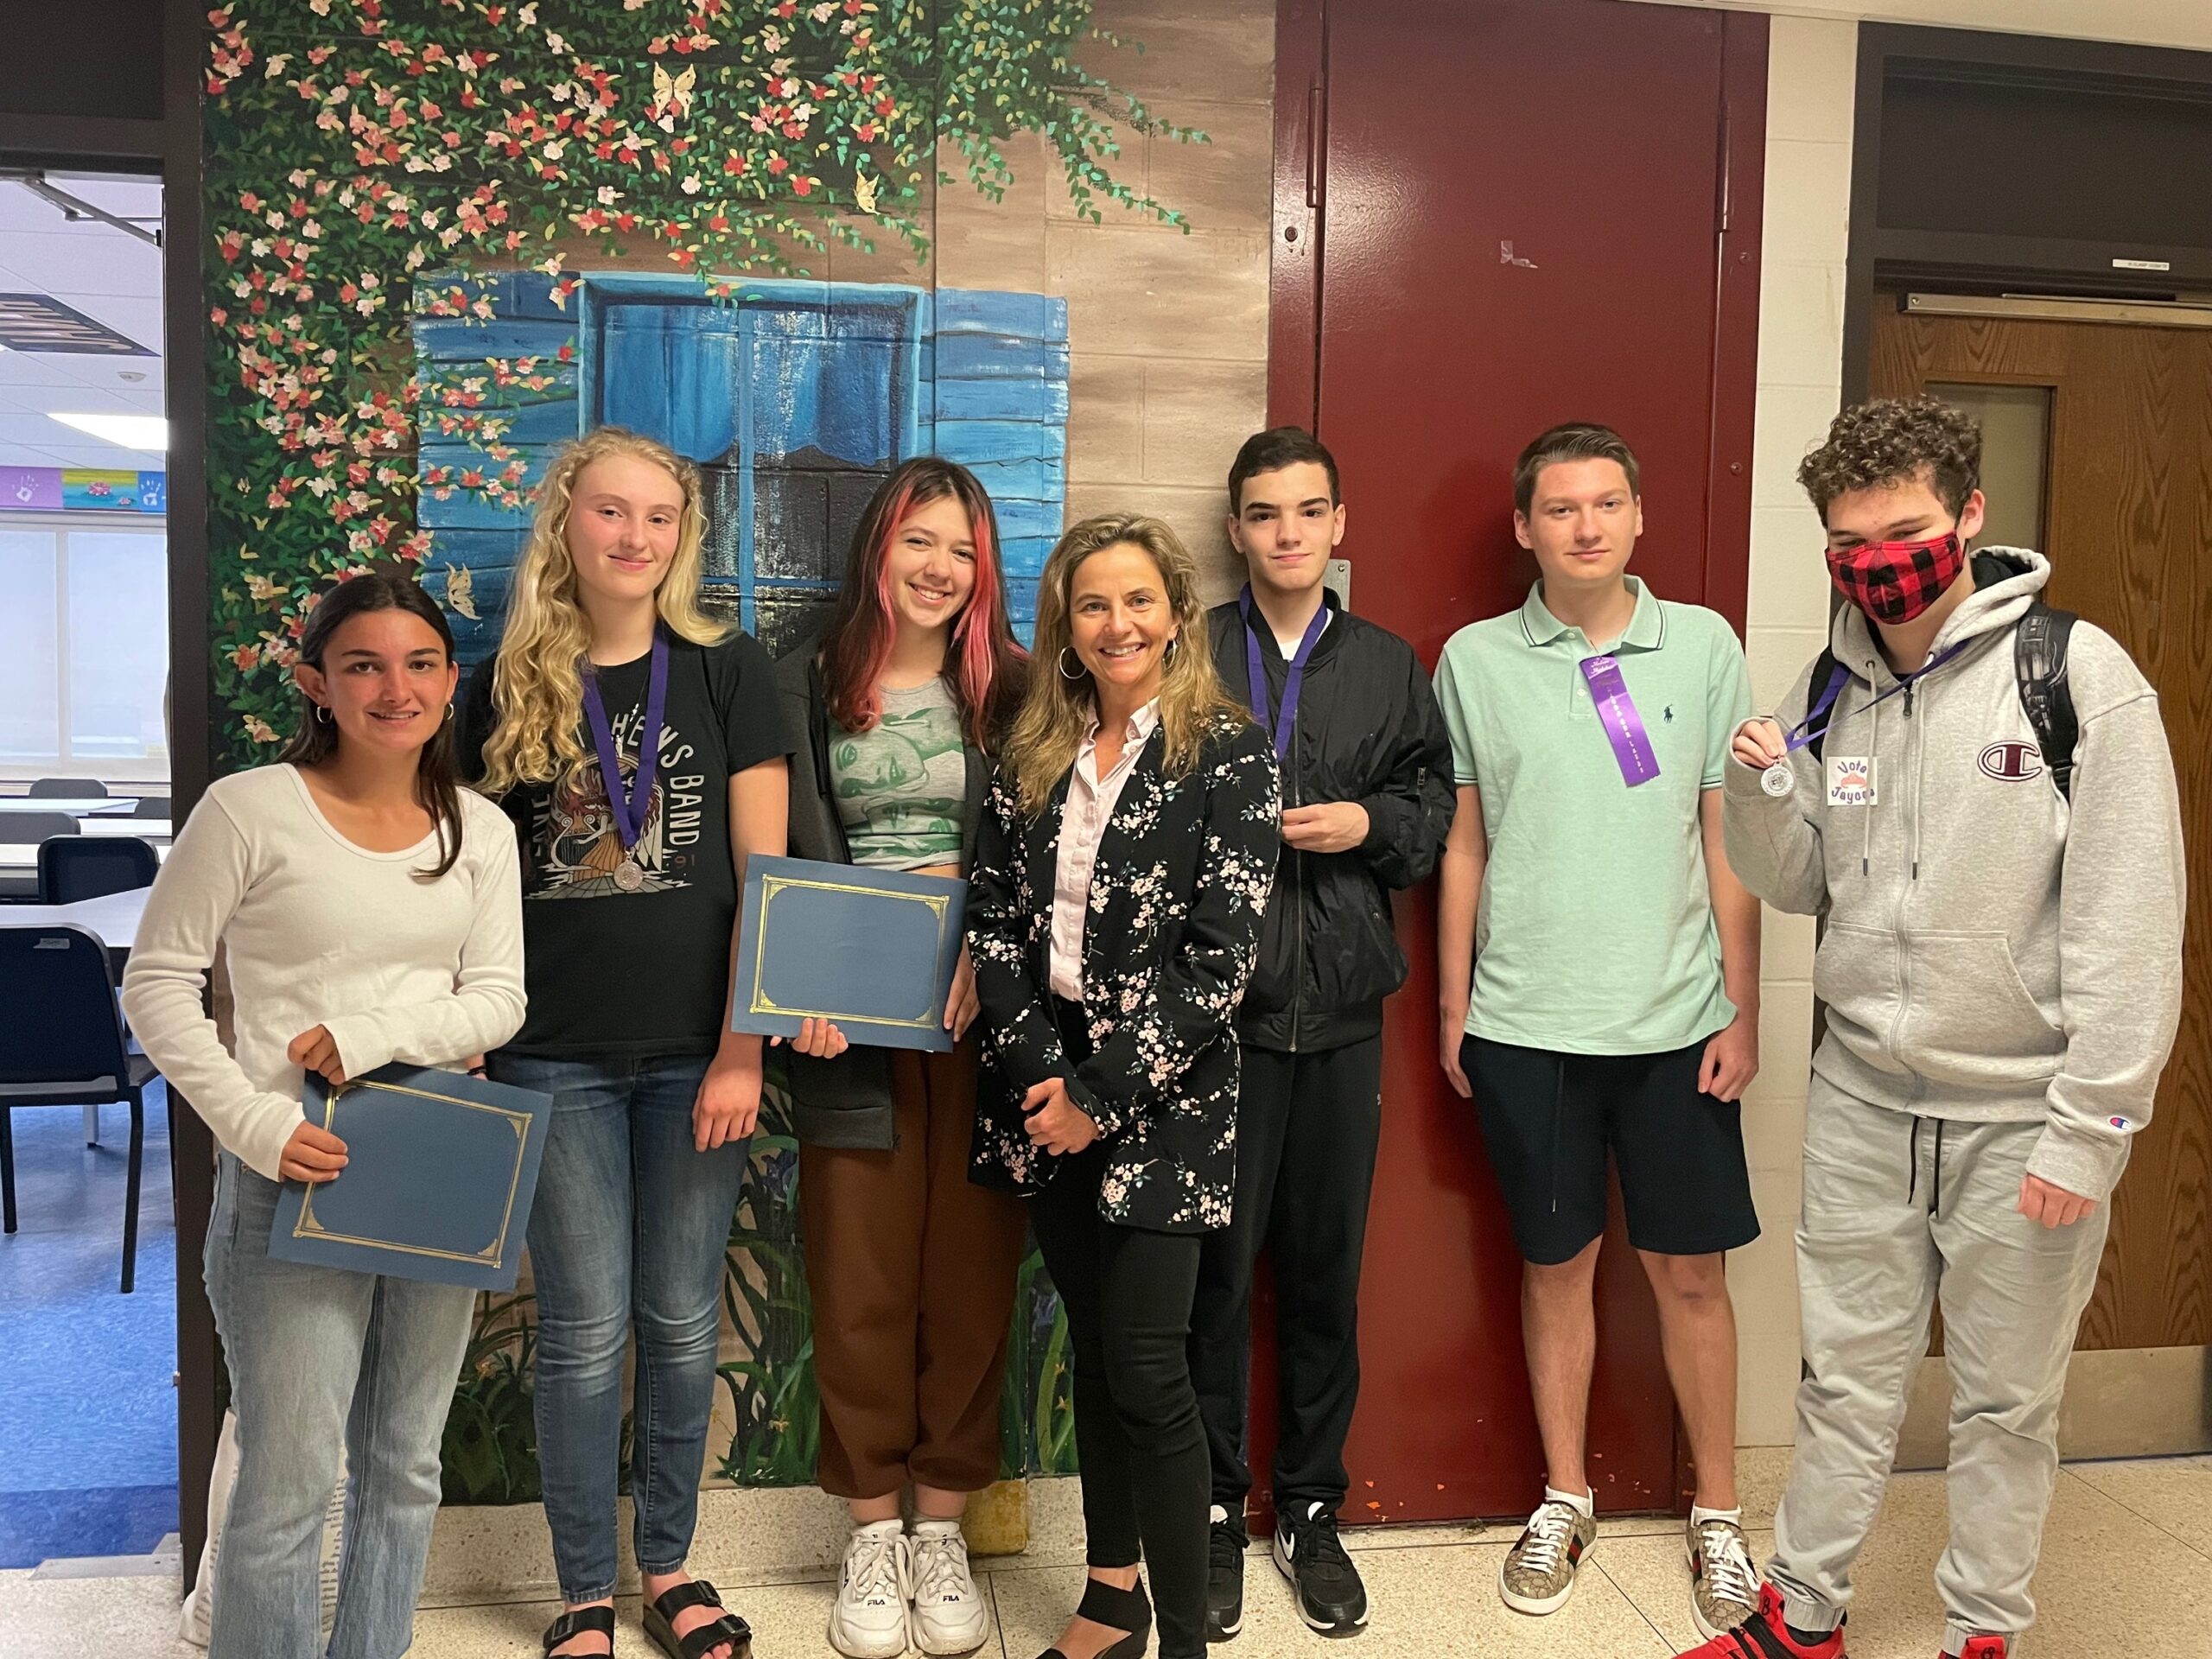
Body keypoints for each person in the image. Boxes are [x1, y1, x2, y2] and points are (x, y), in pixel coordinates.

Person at [1681, 396, 2185, 1659]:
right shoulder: (1830, 683)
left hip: (2027, 1117)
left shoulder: (2078, 678)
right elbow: (1799, 884)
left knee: (2008, 1404)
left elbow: (2132, 925)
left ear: (1969, 515)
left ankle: (1983, 1633)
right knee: (1843, 1382)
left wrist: (2093, 1132)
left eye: (1903, 532)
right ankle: (1801, 1617)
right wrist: (1756, 792)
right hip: (1863, 1100)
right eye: (1848, 545)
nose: (1877, 566)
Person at [123, 567, 526, 1657]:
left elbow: (499, 999)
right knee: (292, 1481)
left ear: (451, 678)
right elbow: (154, 984)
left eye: (420, 663)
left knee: (404, 1467)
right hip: (285, 1180)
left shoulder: (479, 830)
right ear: (316, 683)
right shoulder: (249, 811)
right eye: (363, 666)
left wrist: (365, 1038)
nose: (395, 688)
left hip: (435, 1173)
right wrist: (255, 1125)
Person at [458, 426, 791, 1659]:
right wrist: (469, 1028)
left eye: (660, 518)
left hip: (700, 1054)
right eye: (612, 513)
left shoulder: (725, 671)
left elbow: (768, 879)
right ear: (566, 523)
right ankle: (584, 1590)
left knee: (683, 1319)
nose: (636, 539)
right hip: (551, 1054)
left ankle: (672, 1569)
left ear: (682, 537)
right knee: (587, 1328)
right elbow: (463, 884)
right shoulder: (497, 686)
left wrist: (745, 1049)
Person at [1433, 423, 1765, 1639]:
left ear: (1637, 516)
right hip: (1527, 1023)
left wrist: (1745, 1001)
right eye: (1560, 508)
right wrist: (1456, 1002)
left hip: (1679, 1023)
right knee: (1555, 1266)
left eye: (1607, 504)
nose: (1586, 525)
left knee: (1690, 1275)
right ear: (1524, 527)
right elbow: (1464, 838)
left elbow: (1728, 834)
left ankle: (1720, 1515)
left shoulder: (1708, 644)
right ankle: (1563, 1495)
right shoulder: (1472, 659)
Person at [967, 514, 1280, 1659]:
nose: (1117, 624)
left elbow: (1221, 959)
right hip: (1043, 1097)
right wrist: (1048, 1080)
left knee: (1151, 1365)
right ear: (1066, 625)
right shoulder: (1030, 749)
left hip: (1163, 1102)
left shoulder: (1229, 754)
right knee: (1097, 1353)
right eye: (1093, 605)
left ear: (1176, 616)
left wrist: (1099, 1089)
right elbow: (994, 923)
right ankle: (1113, 1601)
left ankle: (1188, 1641)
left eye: (1138, 601)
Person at [1189, 427, 1454, 1640]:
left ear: (1340, 525)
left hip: (1341, 1014)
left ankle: (1307, 1508)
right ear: (1236, 530)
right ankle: (1206, 1506)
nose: (1287, 532)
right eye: (1263, 513)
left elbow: (1430, 805)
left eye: (1308, 511)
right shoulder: (1192, 653)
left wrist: (1367, 824)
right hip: (1214, 1024)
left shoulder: (1392, 665)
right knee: (1212, 1275)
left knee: (1323, 1277)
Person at [772, 456, 1033, 1658]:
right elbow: (767, 862)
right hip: (845, 1030)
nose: (940, 568)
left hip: (984, 1029)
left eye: (963, 551)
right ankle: (871, 1530)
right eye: (919, 541)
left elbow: (1048, 862)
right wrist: (799, 984)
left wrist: (988, 933)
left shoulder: (1017, 694)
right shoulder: (800, 683)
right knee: (860, 1275)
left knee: (972, 1281)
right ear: (878, 546)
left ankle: (942, 1527)